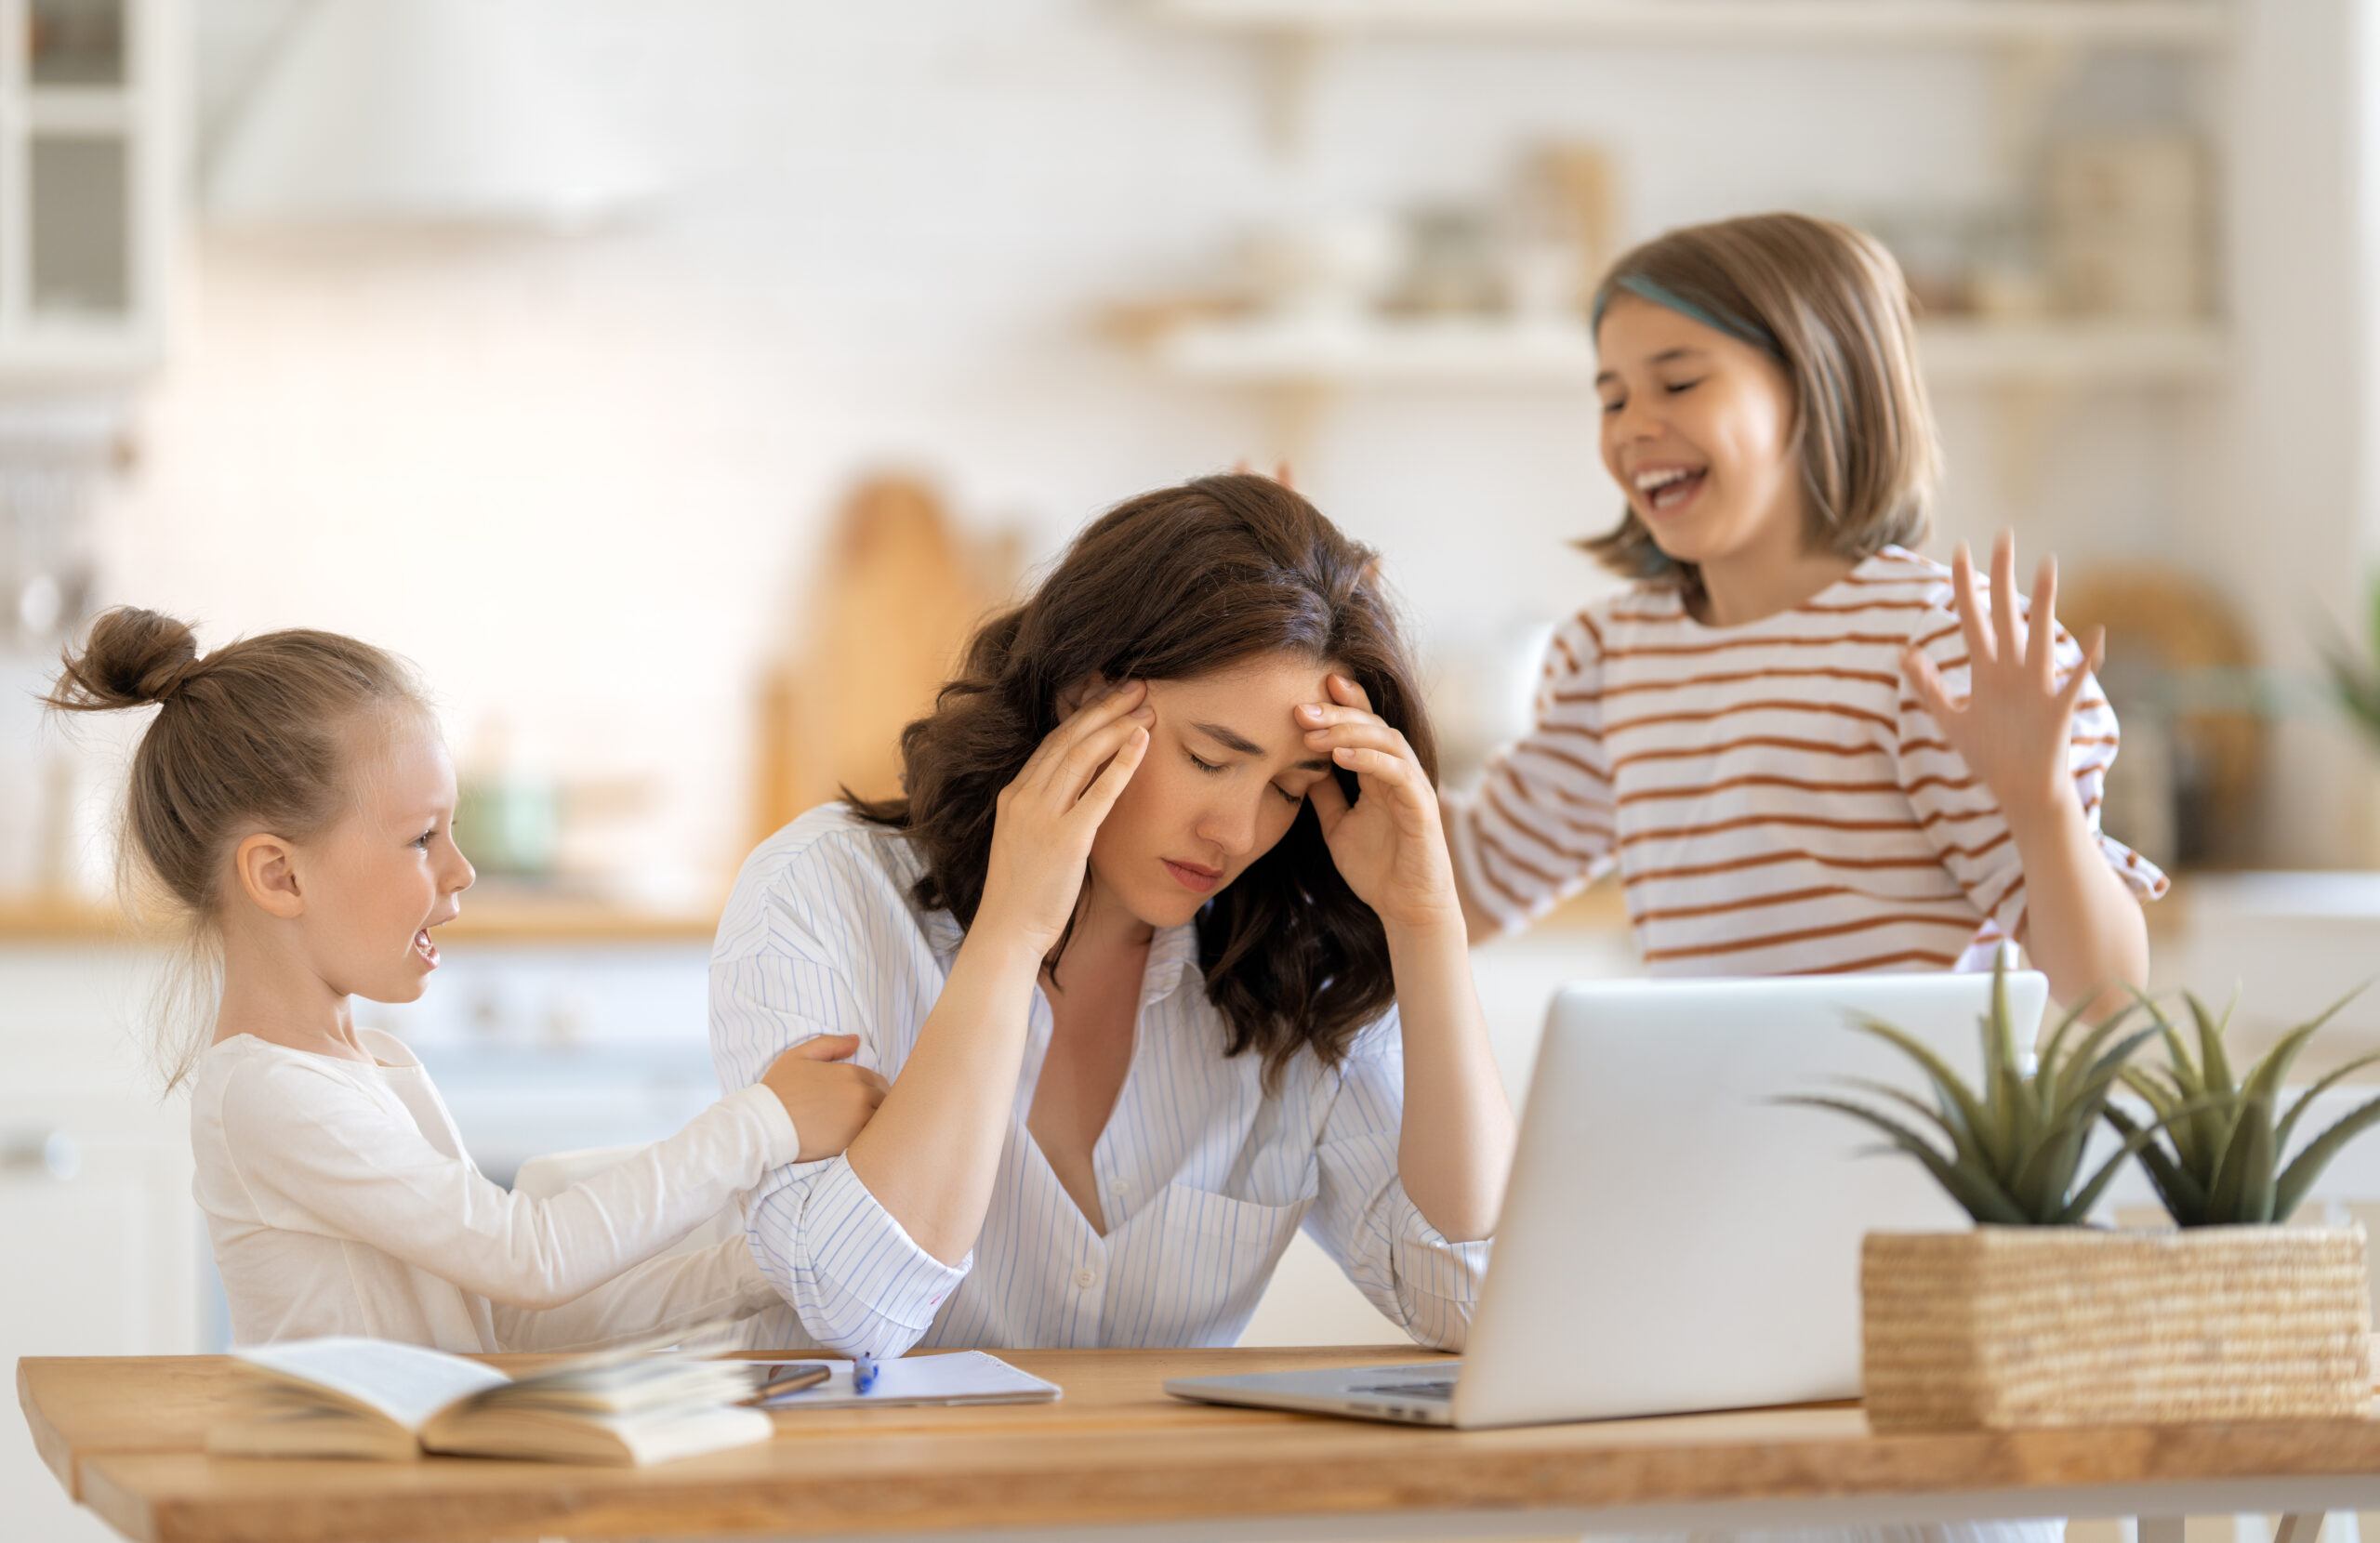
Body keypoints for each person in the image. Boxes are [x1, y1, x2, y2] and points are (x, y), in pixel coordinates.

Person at [710, 473, 1514, 1356]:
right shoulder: (823, 891)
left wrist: (1426, 924)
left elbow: (1473, 1308)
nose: (1238, 832)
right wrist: (1011, 937)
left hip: (1154, 1493)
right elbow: (857, 1314)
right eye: (1210, 760)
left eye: (1291, 788)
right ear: (1084, 695)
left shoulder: (1289, 956)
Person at [47, 608, 889, 1351]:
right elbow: (529, 1257)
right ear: (280, 877)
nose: (461, 871)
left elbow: (507, 1323)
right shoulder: (268, 1093)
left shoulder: (366, 1065)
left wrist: (781, 1260)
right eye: (422, 838)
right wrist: (764, 1123)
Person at [1448, 212, 2162, 1016]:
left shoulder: (1937, 647)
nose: (1634, 426)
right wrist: (1297, 613)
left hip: (1920, 1141)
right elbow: (1465, 887)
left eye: (1679, 382)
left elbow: (2106, 996)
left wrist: (2045, 810)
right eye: (1612, 399)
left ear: (1822, 385)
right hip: (1717, 1130)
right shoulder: (1616, 657)